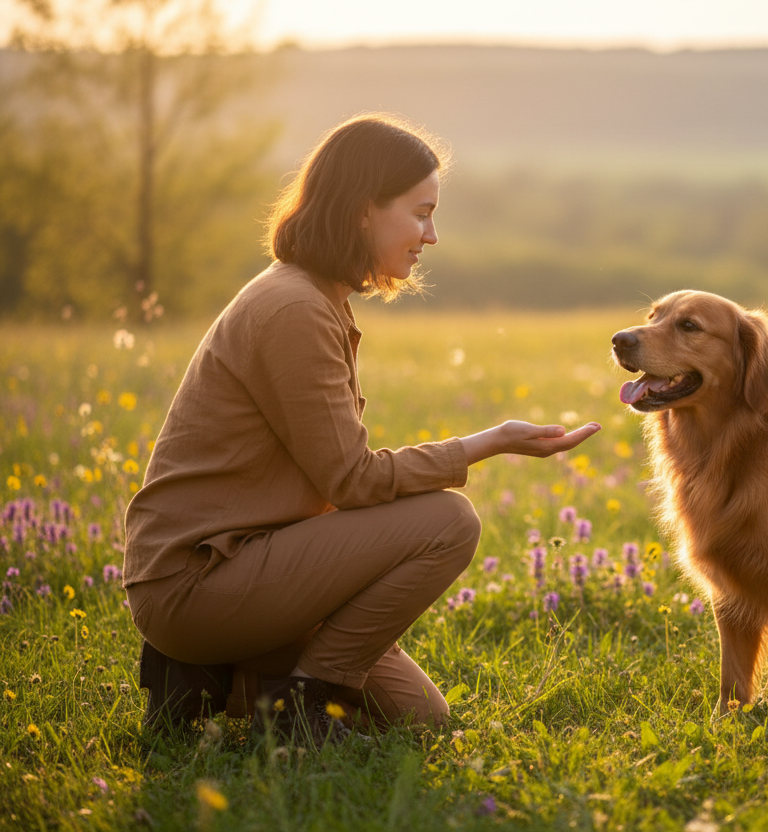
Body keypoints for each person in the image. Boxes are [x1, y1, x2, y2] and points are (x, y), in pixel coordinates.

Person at [123, 113, 600, 743]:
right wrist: (487, 444)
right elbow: (352, 480)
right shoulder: (293, 308)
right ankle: (302, 707)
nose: (431, 235)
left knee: (420, 715)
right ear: (362, 211)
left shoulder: (317, 298)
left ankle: (208, 679)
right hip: (197, 582)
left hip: (254, 563)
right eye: (421, 212)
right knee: (449, 522)